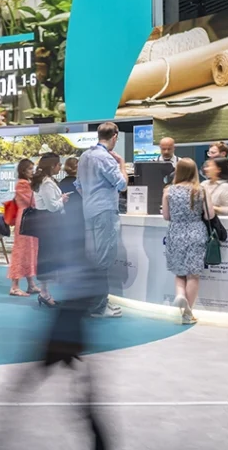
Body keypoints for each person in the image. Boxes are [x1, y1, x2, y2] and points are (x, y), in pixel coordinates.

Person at [77, 122, 127, 319]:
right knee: (103, 259)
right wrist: (122, 163)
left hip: (88, 210)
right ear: (115, 136)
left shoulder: (84, 156)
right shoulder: (106, 158)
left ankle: (96, 303)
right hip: (104, 211)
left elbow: (78, 186)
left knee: (93, 258)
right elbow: (122, 184)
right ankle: (99, 306)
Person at [164, 158, 215, 325]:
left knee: (180, 271)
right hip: (196, 233)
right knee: (193, 274)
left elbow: (166, 216)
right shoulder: (201, 190)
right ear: (194, 171)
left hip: (176, 232)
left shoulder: (168, 190)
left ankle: (179, 295)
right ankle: (188, 314)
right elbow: (210, 216)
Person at [32, 153, 70, 308]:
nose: (60, 167)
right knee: (47, 257)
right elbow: (52, 206)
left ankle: (45, 292)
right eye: (58, 164)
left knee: (47, 257)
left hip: (48, 224)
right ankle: (44, 292)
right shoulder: (46, 183)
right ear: (52, 166)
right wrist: (62, 200)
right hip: (49, 224)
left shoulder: (46, 182)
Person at [8, 159, 39, 297]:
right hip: (25, 219)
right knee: (21, 252)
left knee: (29, 251)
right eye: (29, 169)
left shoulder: (26, 184)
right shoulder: (23, 184)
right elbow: (31, 201)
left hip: (29, 219)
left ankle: (31, 284)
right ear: (23, 171)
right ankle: (14, 286)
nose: (32, 171)